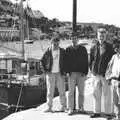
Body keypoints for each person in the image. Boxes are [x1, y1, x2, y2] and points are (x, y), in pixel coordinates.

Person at [89, 27, 114, 118]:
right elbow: (91, 60)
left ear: (105, 36)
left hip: (105, 75)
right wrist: (92, 71)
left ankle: (108, 113)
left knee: (107, 94)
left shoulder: (110, 47)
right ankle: (96, 112)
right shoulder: (93, 47)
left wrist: (110, 74)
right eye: (100, 35)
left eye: (103, 35)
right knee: (96, 94)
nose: (101, 37)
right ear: (97, 36)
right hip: (95, 74)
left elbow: (113, 61)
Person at [41, 35, 66, 112]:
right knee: (50, 91)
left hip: (60, 73)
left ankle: (63, 107)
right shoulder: (48, 51)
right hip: (50, 73)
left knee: (62, 91)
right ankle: (49, 107)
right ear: (51, 43)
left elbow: (67, 62)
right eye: (54, 44)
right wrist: (45, 71)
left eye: (57, 44)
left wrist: (65, 71)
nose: (56, 45)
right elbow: (42, 61)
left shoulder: (62, 51)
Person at [65, 33, 89, 115]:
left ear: (77, 39)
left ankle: (81, 108)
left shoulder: (83, 49)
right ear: (70, 39)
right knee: (71, 92)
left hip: (81, 74)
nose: (74, 40)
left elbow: (86, 61)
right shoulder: (68, 49)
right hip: (71, 74)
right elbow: (66, 62)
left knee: (81, 92)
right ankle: (70, 109)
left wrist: (85, 72)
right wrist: (67, 72)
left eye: (75, 38)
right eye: (72, 38)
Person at [105, 40, 120, 120]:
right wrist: (108, 78)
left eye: (118, 47)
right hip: (113, 81)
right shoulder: (114, 56)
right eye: (115, 48)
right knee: (115, 101)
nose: (116, 49)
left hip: (119, 81)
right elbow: (109, 68)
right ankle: (117, 116)